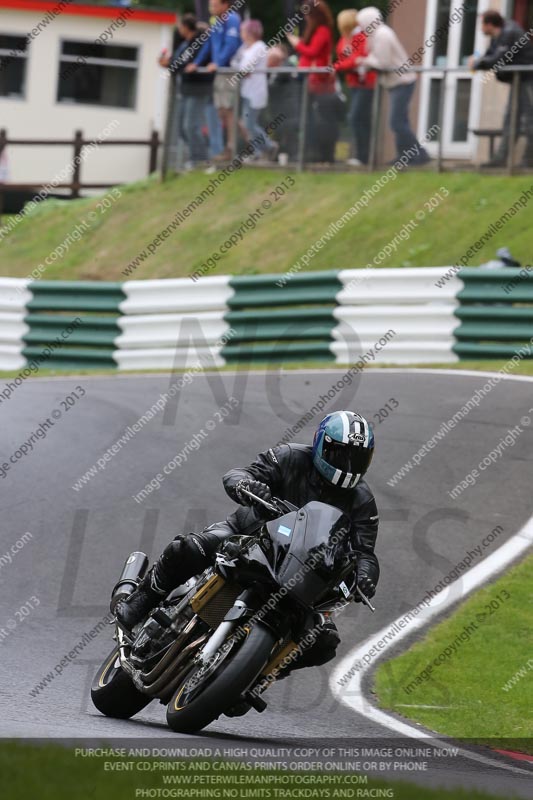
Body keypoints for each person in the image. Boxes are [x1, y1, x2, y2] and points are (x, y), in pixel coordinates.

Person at [117, 411, 379, 678]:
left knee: (323, 643)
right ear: (320, 443)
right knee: (187, 549)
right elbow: (239, 473)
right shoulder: (290, 457)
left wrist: (367, 576)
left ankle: (259, 676)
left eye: (356, 458)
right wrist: (248, 486)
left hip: (304, 574)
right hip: (248, 534)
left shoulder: (362, 500)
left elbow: (365, 552)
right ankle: (141, 601)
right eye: (339, 454)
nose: (346, 465)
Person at [356, 6, 430, 166]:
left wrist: (364, 62)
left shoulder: (383, 35)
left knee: (396, 121)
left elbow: (382, 62)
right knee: (400, 121)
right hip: (396, 82)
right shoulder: (376, 35)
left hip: (402, 81)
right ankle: (404, 155)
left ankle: (420, 154)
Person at [469, 10, 533, 168]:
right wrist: (479, 61)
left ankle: (529, 160)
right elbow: (490, 55)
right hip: (518, 80)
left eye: (481, 24)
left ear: (489, 24)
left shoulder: (510, 32)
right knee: (511, 119)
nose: (480, 28)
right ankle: (500, 159)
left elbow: (499, 58)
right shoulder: (498, 36)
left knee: (529, 120)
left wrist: (477, 64)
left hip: (527, 79)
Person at [187, 0, 242, 161]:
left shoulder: (232, 19)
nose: (211, 7)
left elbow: (231, 45)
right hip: (220, 72)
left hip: (228, 71)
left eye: (215, 4)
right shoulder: (216, 21)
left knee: (229, 110)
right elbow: (208, 46)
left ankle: (237, 147)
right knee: (223, 111)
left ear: (225, 5)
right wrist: (196, 63)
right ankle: (230, 148)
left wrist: (218, 63)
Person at [287, 0, 340, 163]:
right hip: (308, 78)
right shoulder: (315, 30)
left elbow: (313, 51)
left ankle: (319, 153)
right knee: (305, 117)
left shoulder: (323, 31)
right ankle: (309, 150)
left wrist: (297, 44)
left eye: (307, 15)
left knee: (317, 118)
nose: (305, 18)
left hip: (317, 81)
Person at [160, 14, 212, 168]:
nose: (179, 29)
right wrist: (167, 62)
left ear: (185, 27)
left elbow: (188, 64)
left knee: (191, 126)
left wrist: (172, 64)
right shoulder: (185, 44)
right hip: (186, 89)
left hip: (198, 89)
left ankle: (202, 159)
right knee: (183, 128)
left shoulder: (198, 43)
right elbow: (178, 62)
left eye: (180, 26)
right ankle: (196, 157)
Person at [232, 20, 278, 162]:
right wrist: (241, 68)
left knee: (249, 124)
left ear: (250, 33)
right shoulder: (245, 47)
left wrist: (241, 68)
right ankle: (257, 151)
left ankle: (268, 146)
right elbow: (234, 62)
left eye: (243, 31)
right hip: (246, 91)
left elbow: (245, 67)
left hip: (255, 92)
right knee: (248, 124)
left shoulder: (259, 47)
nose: (241, 35)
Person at [334, 9, 376, 166]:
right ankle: (362, 155)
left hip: (366, 84)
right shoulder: (343, 40)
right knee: (360, 119)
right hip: (353, 84)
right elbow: (344, 61)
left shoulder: (361, 37)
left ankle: (363, 156)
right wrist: (345, 64)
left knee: (356, 117)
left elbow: (358, 59)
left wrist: (342, 65)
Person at [267, 44, 301, 161]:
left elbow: (273, 86)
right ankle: (276, 157)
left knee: (290, 133)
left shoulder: (286, 65)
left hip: (289, 107)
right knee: (279, 133)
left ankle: (294, 159)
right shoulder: (273, 69)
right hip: (279, 108)